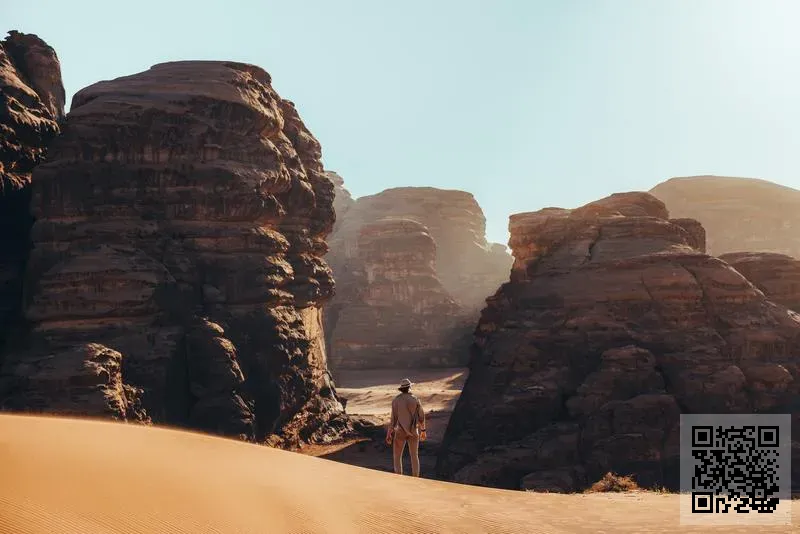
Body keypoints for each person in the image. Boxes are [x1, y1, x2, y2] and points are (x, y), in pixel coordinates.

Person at [387, 378, 426, 477]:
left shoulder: (396, 400)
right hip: (414, 431)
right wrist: (423, 430)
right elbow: (422, 417)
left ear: (401, 389)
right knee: (414, 456)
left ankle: (399, 477)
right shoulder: (415, 399)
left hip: (400, 431)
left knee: (397, 456)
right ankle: (415, 477)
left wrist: (389, 433)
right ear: (409, 387)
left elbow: (393, 419)